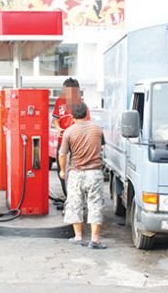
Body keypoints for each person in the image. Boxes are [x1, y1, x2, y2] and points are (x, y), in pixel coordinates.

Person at [58, 102, 106, 249]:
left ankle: (78, 237)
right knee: (95, 205)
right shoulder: (97, 129)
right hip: (95, 173)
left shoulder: (69, 132)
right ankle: (95, 240)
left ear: (72, 117)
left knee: (75, 204)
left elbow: (62, 154)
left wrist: (61, 170)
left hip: (76, 173)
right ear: (87, 113)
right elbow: (102, 146)